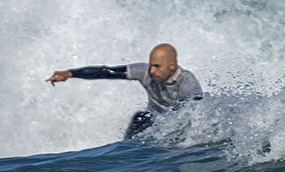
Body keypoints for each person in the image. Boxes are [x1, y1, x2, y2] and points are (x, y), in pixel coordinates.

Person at [46, 43, 203, 138]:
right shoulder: (144, 71)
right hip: (154, 123)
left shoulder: (187, 81)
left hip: (176, 127)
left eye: (157, 66)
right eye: (151, 65)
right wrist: (70, 73)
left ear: (172, 66)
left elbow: (198, 107)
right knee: (141, 117)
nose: (152, 71)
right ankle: (129, 153)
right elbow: (107, 71)